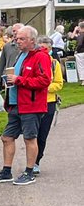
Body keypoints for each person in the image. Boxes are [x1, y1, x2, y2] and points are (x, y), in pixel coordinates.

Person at [0, 25, 52, 186]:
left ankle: (29, 172)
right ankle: (6, 171)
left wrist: (19, 80)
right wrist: (8, 80)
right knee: (7, 137)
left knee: (30, 138)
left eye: (22, 39)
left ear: (32, 41)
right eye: (17, 38)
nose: (18, 41)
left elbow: (45, 80)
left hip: (30, 105)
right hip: (16, 104)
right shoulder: (20, 55)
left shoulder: (41, 56)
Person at [33, 37, 63, 172]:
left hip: (48, 102)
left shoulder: (54, 64)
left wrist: (44, 87)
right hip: (33, 102)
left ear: (51, 49)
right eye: (41, 48)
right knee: (31, 134)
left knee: (42, 134)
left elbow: (59, 83)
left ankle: (36, 162)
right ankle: (31, 161)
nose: (44, 51)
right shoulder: (33, 61)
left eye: (47, 48)